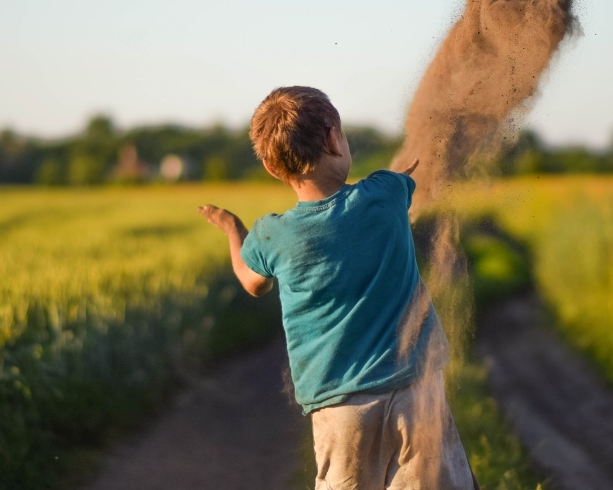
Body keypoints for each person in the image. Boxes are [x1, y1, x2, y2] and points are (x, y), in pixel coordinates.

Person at [198, 86, 477, 490]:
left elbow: (251, 281)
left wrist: (232, 228)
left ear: (274, 170)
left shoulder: (272, 236)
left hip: (340, 409)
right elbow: (405, 178)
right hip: (417, 394)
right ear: (332, 138)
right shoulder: (385, 191)